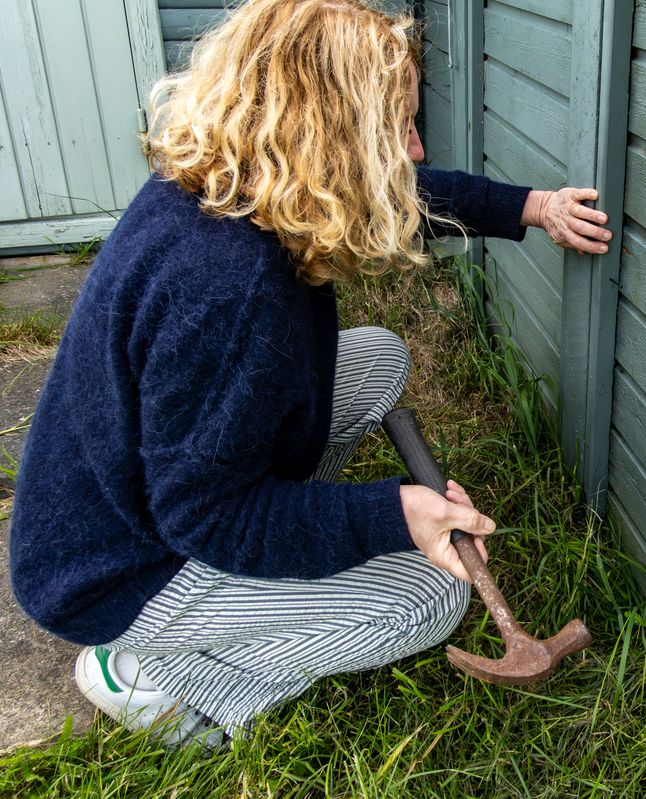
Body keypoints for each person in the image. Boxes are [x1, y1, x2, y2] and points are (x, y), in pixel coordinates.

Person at [8, 0, 610, 747]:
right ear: (332, 138)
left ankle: (277, 561)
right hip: (122, 565)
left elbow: (405, 196)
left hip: (139, 488)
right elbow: (204, 515)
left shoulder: (236, 181)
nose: (416, 149)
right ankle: (155, 675)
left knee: (379, 356)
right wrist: (393, 516)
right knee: (426, 601)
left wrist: (533, 206)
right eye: (399, 128)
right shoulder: (228, 287)